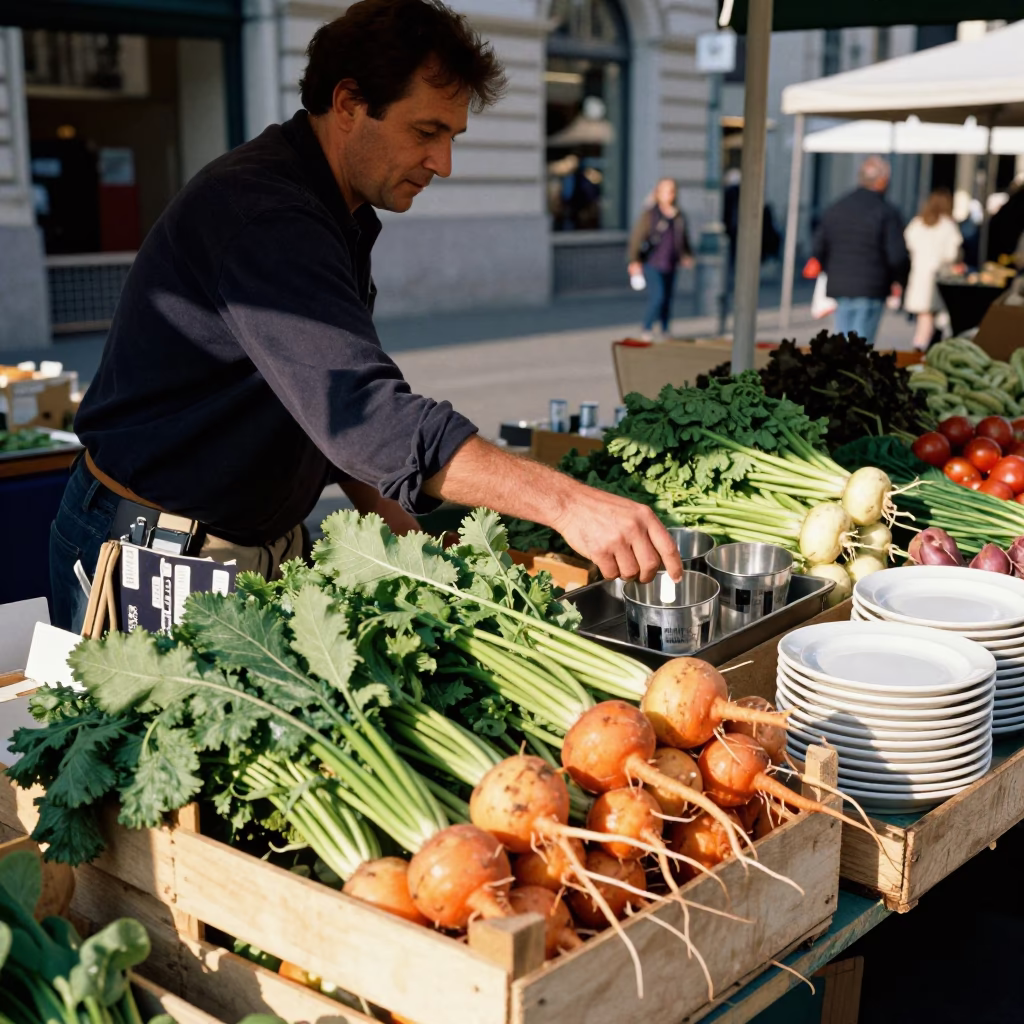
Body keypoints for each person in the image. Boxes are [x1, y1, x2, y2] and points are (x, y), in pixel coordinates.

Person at [50, 0, 682, 632]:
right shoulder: (266, 214)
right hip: (153, 547)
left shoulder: (335, 211)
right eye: (426, 131)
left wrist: (414, 545)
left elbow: (321, 411)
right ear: (350, 104)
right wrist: (569, 505)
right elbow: (363, 414)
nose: (444, 163)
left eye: (452, 137)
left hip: (246, 544)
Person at [812, 156, 908, 346]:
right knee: (860, 347)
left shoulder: (837, 207)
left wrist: (830, 268)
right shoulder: (885, 211)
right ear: (882, 181)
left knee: (843, 344)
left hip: (841, 284)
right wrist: (901, 280)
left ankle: (841, 375)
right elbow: (897, 255)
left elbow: (819, 246)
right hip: (872, 286)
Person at [627, 178, 694, 341]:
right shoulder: (650, 214)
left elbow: (683, 238)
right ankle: (647, 326)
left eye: (671, 191)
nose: (669, 195)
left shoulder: (678, 215)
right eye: (665, 191)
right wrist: (633, 260)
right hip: (653, 262)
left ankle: (665, 328)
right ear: (658, 193)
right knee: (658, 296)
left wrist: (687, 254)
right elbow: (637, 238)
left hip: (671, 262)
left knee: (668, 298)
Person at [903, 189, 962, 352]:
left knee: (925, 318)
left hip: (919, 275)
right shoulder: (948, 225)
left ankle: (921, 349)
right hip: (938, 277)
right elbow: (951, 254)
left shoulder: (918, 223)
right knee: (931, 319)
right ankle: (921, 351)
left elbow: (908, 244)